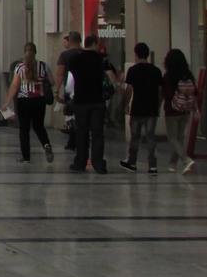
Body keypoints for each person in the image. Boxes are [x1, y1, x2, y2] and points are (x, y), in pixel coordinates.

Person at [56, 34, 116, 174]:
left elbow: (70, 80)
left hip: (81, 101)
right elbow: (111, 78)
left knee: (81, 132)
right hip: (98, 101)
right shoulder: (101, 59)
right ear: (95, 43)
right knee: (97, 133)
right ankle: (98, 163)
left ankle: (80, 162)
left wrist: (66, 95)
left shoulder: (75, 59)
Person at [1, 42, 53, 164]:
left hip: (24, 101)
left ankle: (26, 157)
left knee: (24, 129)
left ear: (25, 52)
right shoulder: (43, 66)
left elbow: (14, 86)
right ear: (35, 52)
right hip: (39, 101)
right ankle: (46, 144)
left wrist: (7, 102)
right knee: (39, 126)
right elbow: (52, 81)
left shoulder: (20, 67)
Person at [120, 42, 163, 174]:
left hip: (138, 108)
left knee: (135, 137)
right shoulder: (156, 71)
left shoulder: (133, 70)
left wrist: (126, 104)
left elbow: (129, 90)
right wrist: (158, 105)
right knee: (151, 137)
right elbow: (160, 91)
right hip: (151, 109)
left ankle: (132, 162)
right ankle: (153, 166)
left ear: (136, 54)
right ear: (147, 54)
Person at [162, 49, 199, 175]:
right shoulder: (188, 74)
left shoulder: (168, 76)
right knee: (179, 137)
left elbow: (166, 94)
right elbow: (195, 92)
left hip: (172, 110)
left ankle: (186, 160)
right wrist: (196, 109)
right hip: (185, 110)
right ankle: (172, 164)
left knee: (172, 137)